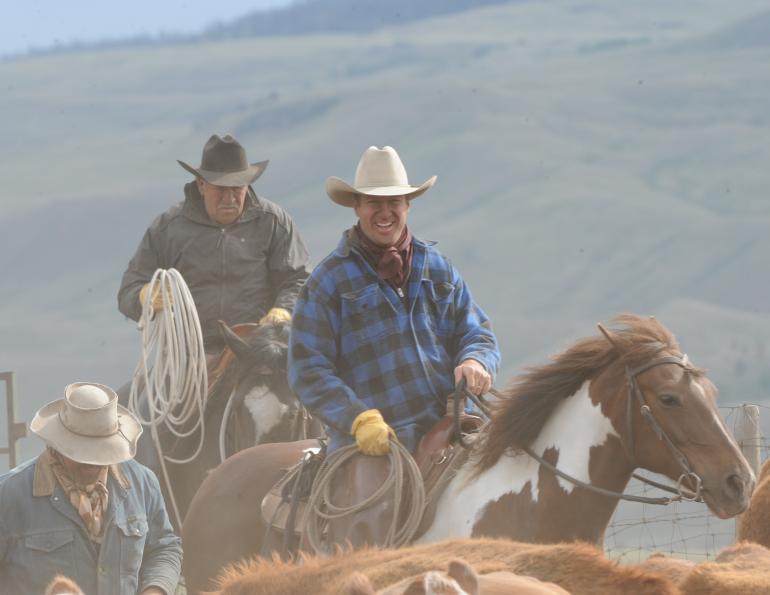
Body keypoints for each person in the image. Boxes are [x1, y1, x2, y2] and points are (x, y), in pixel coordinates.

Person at [289, 145, 500, 457]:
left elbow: (476, 332)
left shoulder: (438, 266)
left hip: (448, 428)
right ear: (357, 207)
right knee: (375, 507)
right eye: (374, 202)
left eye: (394, 202)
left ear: (408, 205)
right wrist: (357, 418)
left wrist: (475, 361)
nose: (385, 212)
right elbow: (307, 368)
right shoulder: (327, 281)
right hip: (369, 443)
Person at [118, 134, 311, 353]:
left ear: (247, 185)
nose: (229, 199)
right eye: (221, 189)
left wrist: (285, 310)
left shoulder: (273, 222)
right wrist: (146, 297)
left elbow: (300, 279)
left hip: (258, 350)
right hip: (188, 354)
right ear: (201, 185)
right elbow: (127, 291)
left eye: (237, 188)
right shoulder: (168, 228)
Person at [0, 382, 182, 595]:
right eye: (82, 454)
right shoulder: (9, 496)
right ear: (58, 444)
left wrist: (155, 589)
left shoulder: (143, 484)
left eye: (101, 453)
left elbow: (164, 547)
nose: (92, 463)